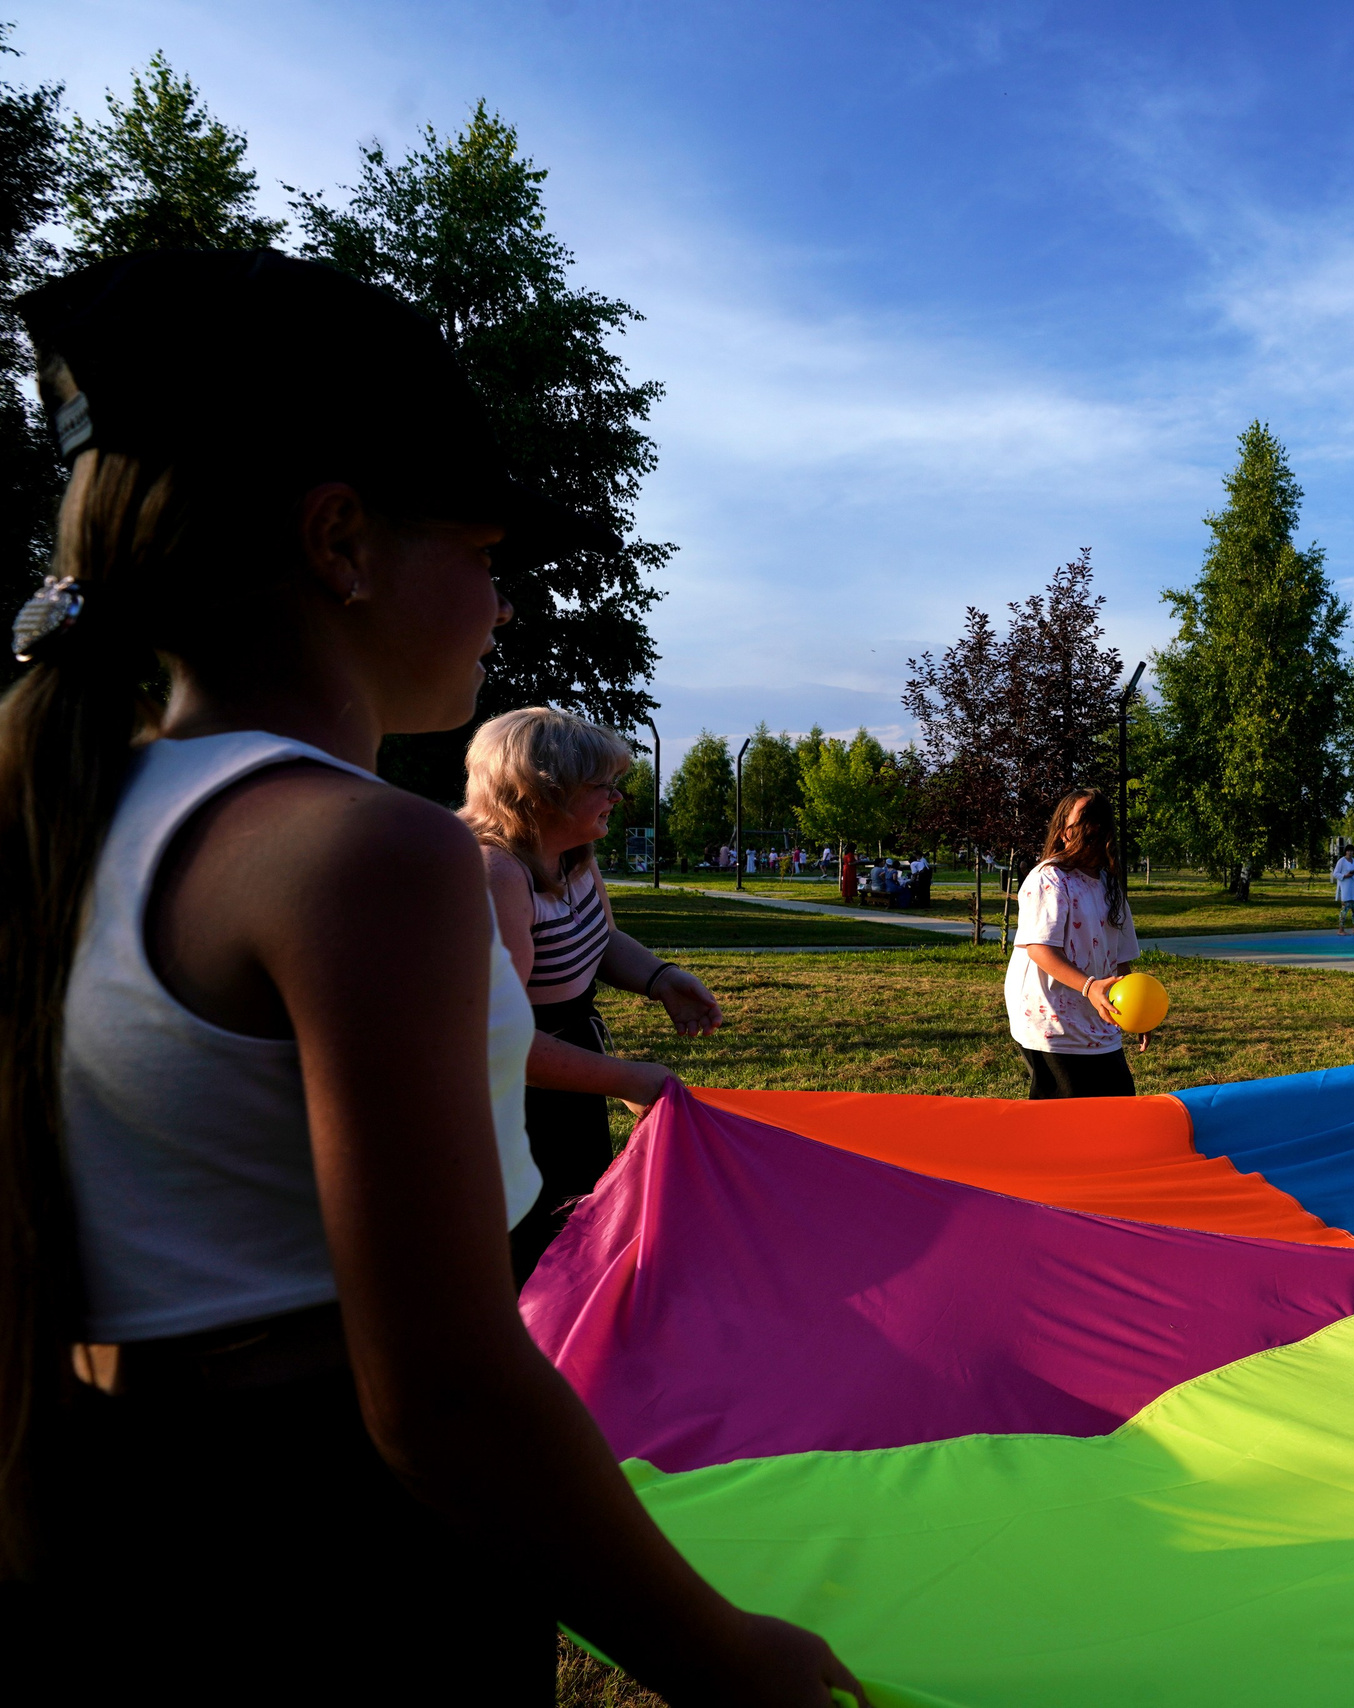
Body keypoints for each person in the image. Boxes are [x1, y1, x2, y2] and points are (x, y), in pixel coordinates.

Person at [0, 251, 860, 1702]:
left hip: (102, 1508)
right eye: (483, 556)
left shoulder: (70, 808)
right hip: (334, 1559)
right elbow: (444, 1400)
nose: (502, 608)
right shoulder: (366, 854)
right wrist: (722, 1657)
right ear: (341, 541)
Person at [466, 707, 722, 1282]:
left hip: (567, 1075)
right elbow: (499, 1044)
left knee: (574, 1239)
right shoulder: (496, 876)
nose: (617, 797)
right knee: (532, 1261)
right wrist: (629, 1078)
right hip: (512, 1108)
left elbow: (601, 938)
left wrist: (661, 978)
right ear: (541, 796)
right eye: (601, 785)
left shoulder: (572, 855)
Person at [1006, 788, 1145, 1097]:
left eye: (1099, 820)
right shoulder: (1048, 878)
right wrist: (1089, 987)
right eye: (1083, 821)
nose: (1092, 828)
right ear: (1063, 831)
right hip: (1052, 1023)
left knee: (1118, 1107)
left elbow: (1121, 959)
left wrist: (1137, 1009)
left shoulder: (1109, 885)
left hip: (1099, 1021)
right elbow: (1040, 948)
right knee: (1062, 1116)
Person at [1333, 841, 1354, 934]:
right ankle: (1341, 930)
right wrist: (1345, 876)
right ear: (1345, 852)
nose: (1350, 853)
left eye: (1351, 851)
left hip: (1353, 888)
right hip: (1345, 887)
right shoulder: (1341, 861)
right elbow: (1335, 873)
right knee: (1344, 910)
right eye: (1348, 851)